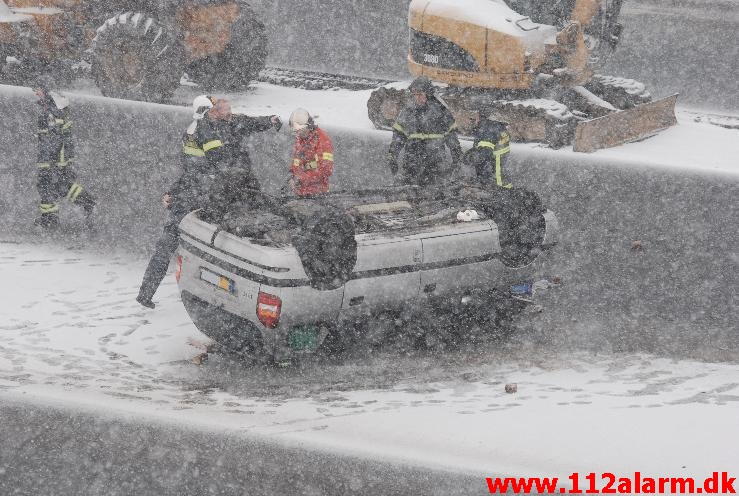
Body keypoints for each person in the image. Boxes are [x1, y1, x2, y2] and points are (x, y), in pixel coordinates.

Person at [136, 95, 281, 309]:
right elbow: (214, 162)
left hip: (200, 192)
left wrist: (270, 120)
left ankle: (150, 293)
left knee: (170, 244)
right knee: (214, 243)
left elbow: (248, 123)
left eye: (227, 108)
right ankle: (218, 295)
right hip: (207, 195)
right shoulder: (206, 131)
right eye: (221, 109)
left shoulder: (213, 126)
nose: (229, 112)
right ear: (210, 113)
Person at [32, 76, 96, 230]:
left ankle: (53, 218)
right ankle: (52, 217)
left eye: (38, 90)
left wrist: (49, 162)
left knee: (51, 185)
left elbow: (53, 138)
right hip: (56, 158)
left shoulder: (51, 109)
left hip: (53, 158)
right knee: (59, 186)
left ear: (46, 90)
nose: (36, 93)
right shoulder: (55, 106)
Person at [387, 76, 462, 186]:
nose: (417, 98)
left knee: (433, 197)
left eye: (420, 94)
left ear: (429, 94)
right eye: (415, 95)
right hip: (412, 165)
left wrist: (456, 155)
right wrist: (392, 155)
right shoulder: (407, 113)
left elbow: (452, 138)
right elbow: (398, 137)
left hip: (435, 166)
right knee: (411, 195)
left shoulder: (441, 113)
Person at [288, 108, 334, 197]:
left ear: (308, 125)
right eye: (295, 132)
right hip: (300, 193)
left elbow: (326, 169)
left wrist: (301, 179)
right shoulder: (300, 140)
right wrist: (291, 175)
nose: (298, 134)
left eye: (300, 130)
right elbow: (296, 161)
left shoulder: (322, 139)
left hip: (317, 193)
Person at [463, 107, 512, 188]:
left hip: (494, 161)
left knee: (497, 180)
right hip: (499, 158)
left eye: (476, 117)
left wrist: (470, 158)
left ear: (482, 116)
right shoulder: (498, 126)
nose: (475, 120)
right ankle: (507, 190)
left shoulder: (487, 129)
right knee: (502, 177)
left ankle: (501, 193)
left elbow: (485, 152)